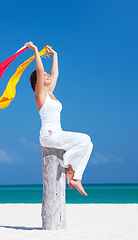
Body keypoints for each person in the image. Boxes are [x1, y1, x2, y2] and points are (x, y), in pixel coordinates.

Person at [26, 41, 93, 196]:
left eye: (47, 74)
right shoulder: (40, 95)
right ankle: (69, 166)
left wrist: (55, 55)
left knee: (88, 144)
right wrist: (35, 50)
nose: (47, 75)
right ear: (38, 82)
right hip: (49, 135)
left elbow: (55, 74)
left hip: (57, 133)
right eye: (44, 75)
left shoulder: (50, 93)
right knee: (85, 139)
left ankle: (74, 175)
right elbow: (39, 68)